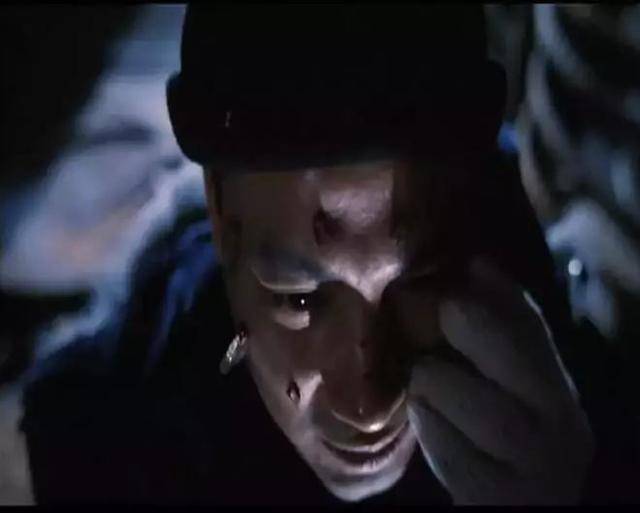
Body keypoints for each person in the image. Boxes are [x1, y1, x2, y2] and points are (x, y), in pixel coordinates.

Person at [20, 5, 633, 505]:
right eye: (301, 300)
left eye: (419, 280)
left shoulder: (586, 391)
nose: (368, 406)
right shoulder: (120, 444)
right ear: (221, 218)